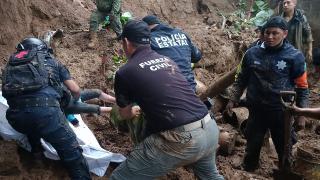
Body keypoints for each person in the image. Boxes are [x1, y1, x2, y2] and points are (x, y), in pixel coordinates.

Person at [110, 20, 223, 180]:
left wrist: (131, 111)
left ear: (126, 42)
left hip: (182, 139)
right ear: (149, 40)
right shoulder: (167, 61)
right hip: (209, 128)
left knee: (119, 178)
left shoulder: (125, 72)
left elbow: (125, 113)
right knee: (210, 176)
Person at [226, 16, 309, 172]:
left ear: (284, 33)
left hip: (282, 111)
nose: (270, 37)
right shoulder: (251, 53)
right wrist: (233, 98)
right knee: (253, 141)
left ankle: (285, 170)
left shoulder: (295, 56)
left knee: (284, 144)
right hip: (257, 109)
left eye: (275, 33)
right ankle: (249, 168)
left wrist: (301, 114)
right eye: (267, 33)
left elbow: (302, 87)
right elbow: (241, 79)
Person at [2, 37, 91, 179]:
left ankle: (36, 155)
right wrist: (73, 100)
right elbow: (75, 89)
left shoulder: (10, 66)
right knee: (72, 154)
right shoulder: (50, 60)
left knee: (32, 125)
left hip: (16, 118)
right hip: (47, 116)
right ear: (43, 48)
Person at [142, 15, 202, 92]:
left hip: (166, 90)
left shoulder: (149, 39)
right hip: (190, 88)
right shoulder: (181, 33)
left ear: (146, 28)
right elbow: (197, 56)